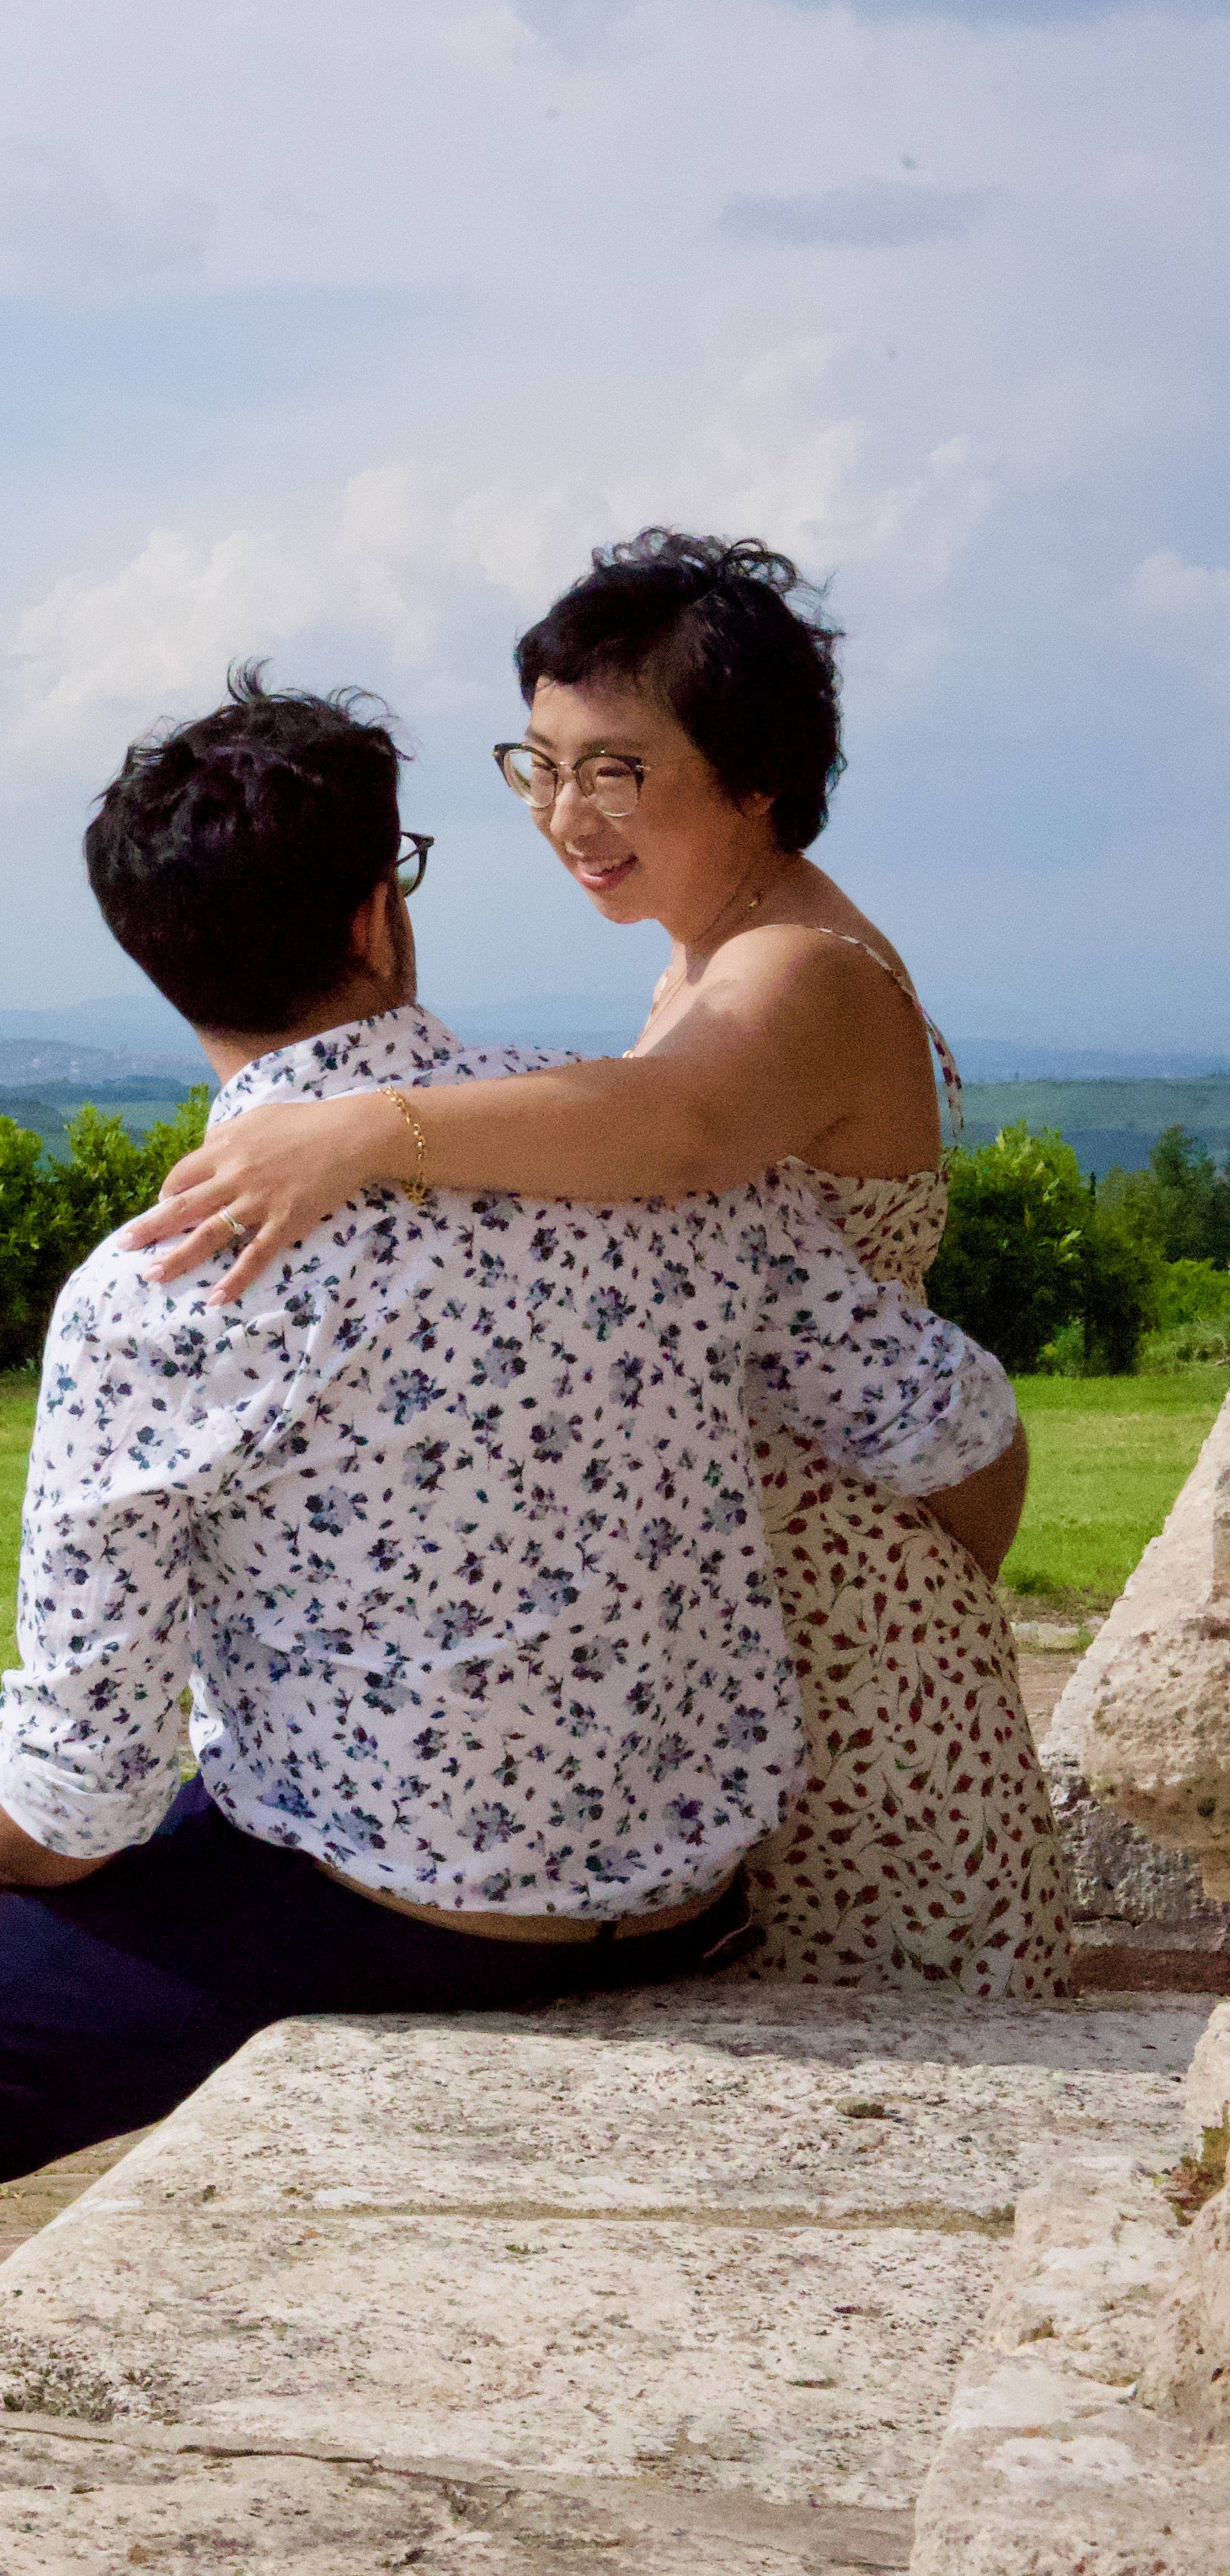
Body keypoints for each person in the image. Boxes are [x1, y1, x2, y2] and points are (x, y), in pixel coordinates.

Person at [0, 672, 1027, 2418]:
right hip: (690, 1887)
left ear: (161, 961)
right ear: (383, 910)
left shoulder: (153, 1296)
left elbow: (81, 1789)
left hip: (415, 1916)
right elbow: (945, 1422)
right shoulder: (634, 1138)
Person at [119, 532, 1069, 1998]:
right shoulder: (708, 949)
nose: (567, 813)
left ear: (756, 777)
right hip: (746, 1634)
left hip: (852, 1644)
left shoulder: (797, 970)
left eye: (618, 768)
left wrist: (367, 1127)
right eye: (542, 763)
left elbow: (678, 1130)